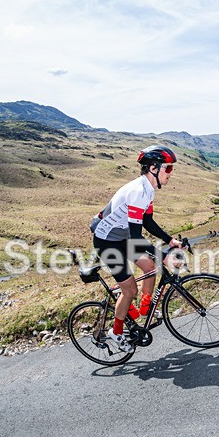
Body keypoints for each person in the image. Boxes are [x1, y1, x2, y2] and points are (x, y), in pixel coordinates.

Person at [90, 144, 183, 352]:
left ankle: (145, 310)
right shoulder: (138, 192)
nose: (171, 173)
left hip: (121, 238)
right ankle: (116, 331)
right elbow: (135, 237)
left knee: (150, 267)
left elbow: (147, 222)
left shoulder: (148, 189)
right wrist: (164, 256)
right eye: (168, 168)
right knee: (130, 289)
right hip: (107, 242)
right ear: (153, 168)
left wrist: (169, 241)